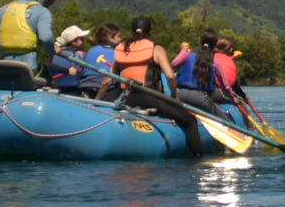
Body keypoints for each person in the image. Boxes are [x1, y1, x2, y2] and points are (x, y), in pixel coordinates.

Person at [95, 17, 203, 156]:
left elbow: (107, 81)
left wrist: (97, 101)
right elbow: (170, 76)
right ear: (150, 32)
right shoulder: (155, 48)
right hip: (150, 98)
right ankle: (197, 162)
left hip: (127, 98)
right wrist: (173, 95)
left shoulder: (121, 49)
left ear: (132, 31)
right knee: (190, 122)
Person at [171, 30, 221, 115]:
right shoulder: (215, 61)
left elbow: (174, 64)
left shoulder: (189, 53)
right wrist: (233, 99)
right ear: (215, 45)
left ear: (200, 42)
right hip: (202, 98)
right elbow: (226, 86)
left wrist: (183, 50)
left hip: (182, 94)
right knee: (224, 120)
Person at [79, 24, 120, 98]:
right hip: (106, 91)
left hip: (85, 88)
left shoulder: (91, 50)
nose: (120, 39)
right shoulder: (117, 51)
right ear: (110, 37)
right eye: (118, 36)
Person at [48, 26, 88, 95]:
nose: (83, 42)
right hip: (75, 90)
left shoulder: (55, 53)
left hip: (58, 89)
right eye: (81, 39)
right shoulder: (80, 54)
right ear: (73, 41)